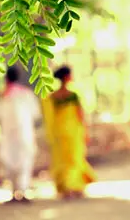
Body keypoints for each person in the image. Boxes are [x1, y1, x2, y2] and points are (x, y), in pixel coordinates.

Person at [42, 66, 95, 199]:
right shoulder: (73, 95)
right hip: (73, 132)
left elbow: (49, 117)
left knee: (62, 160)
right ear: (66, 77)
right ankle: (74, 186)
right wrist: (85, 131)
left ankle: (66, 188)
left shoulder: (52, 97)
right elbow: (80, 115)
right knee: (74, 159)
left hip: (59, 133)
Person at [0, 67, 41, 201]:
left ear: (6, 78)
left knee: (11, 161)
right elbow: (35, 113)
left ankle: (16, 191)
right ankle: (22, 190)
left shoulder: (3, 96)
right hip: (24, 133)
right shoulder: (25, 94)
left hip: (9, 135)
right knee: (24, 161)